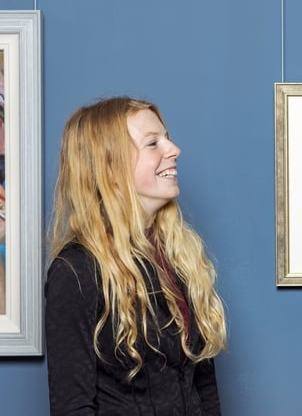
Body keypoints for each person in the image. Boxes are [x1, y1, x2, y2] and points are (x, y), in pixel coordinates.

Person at [45, 97, 228, 415]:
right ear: (111, 168)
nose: (174, 149)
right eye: (153, 143)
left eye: (166, 138)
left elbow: (204, 387)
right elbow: (72, 407)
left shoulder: (180, 259)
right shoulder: (76, 271)